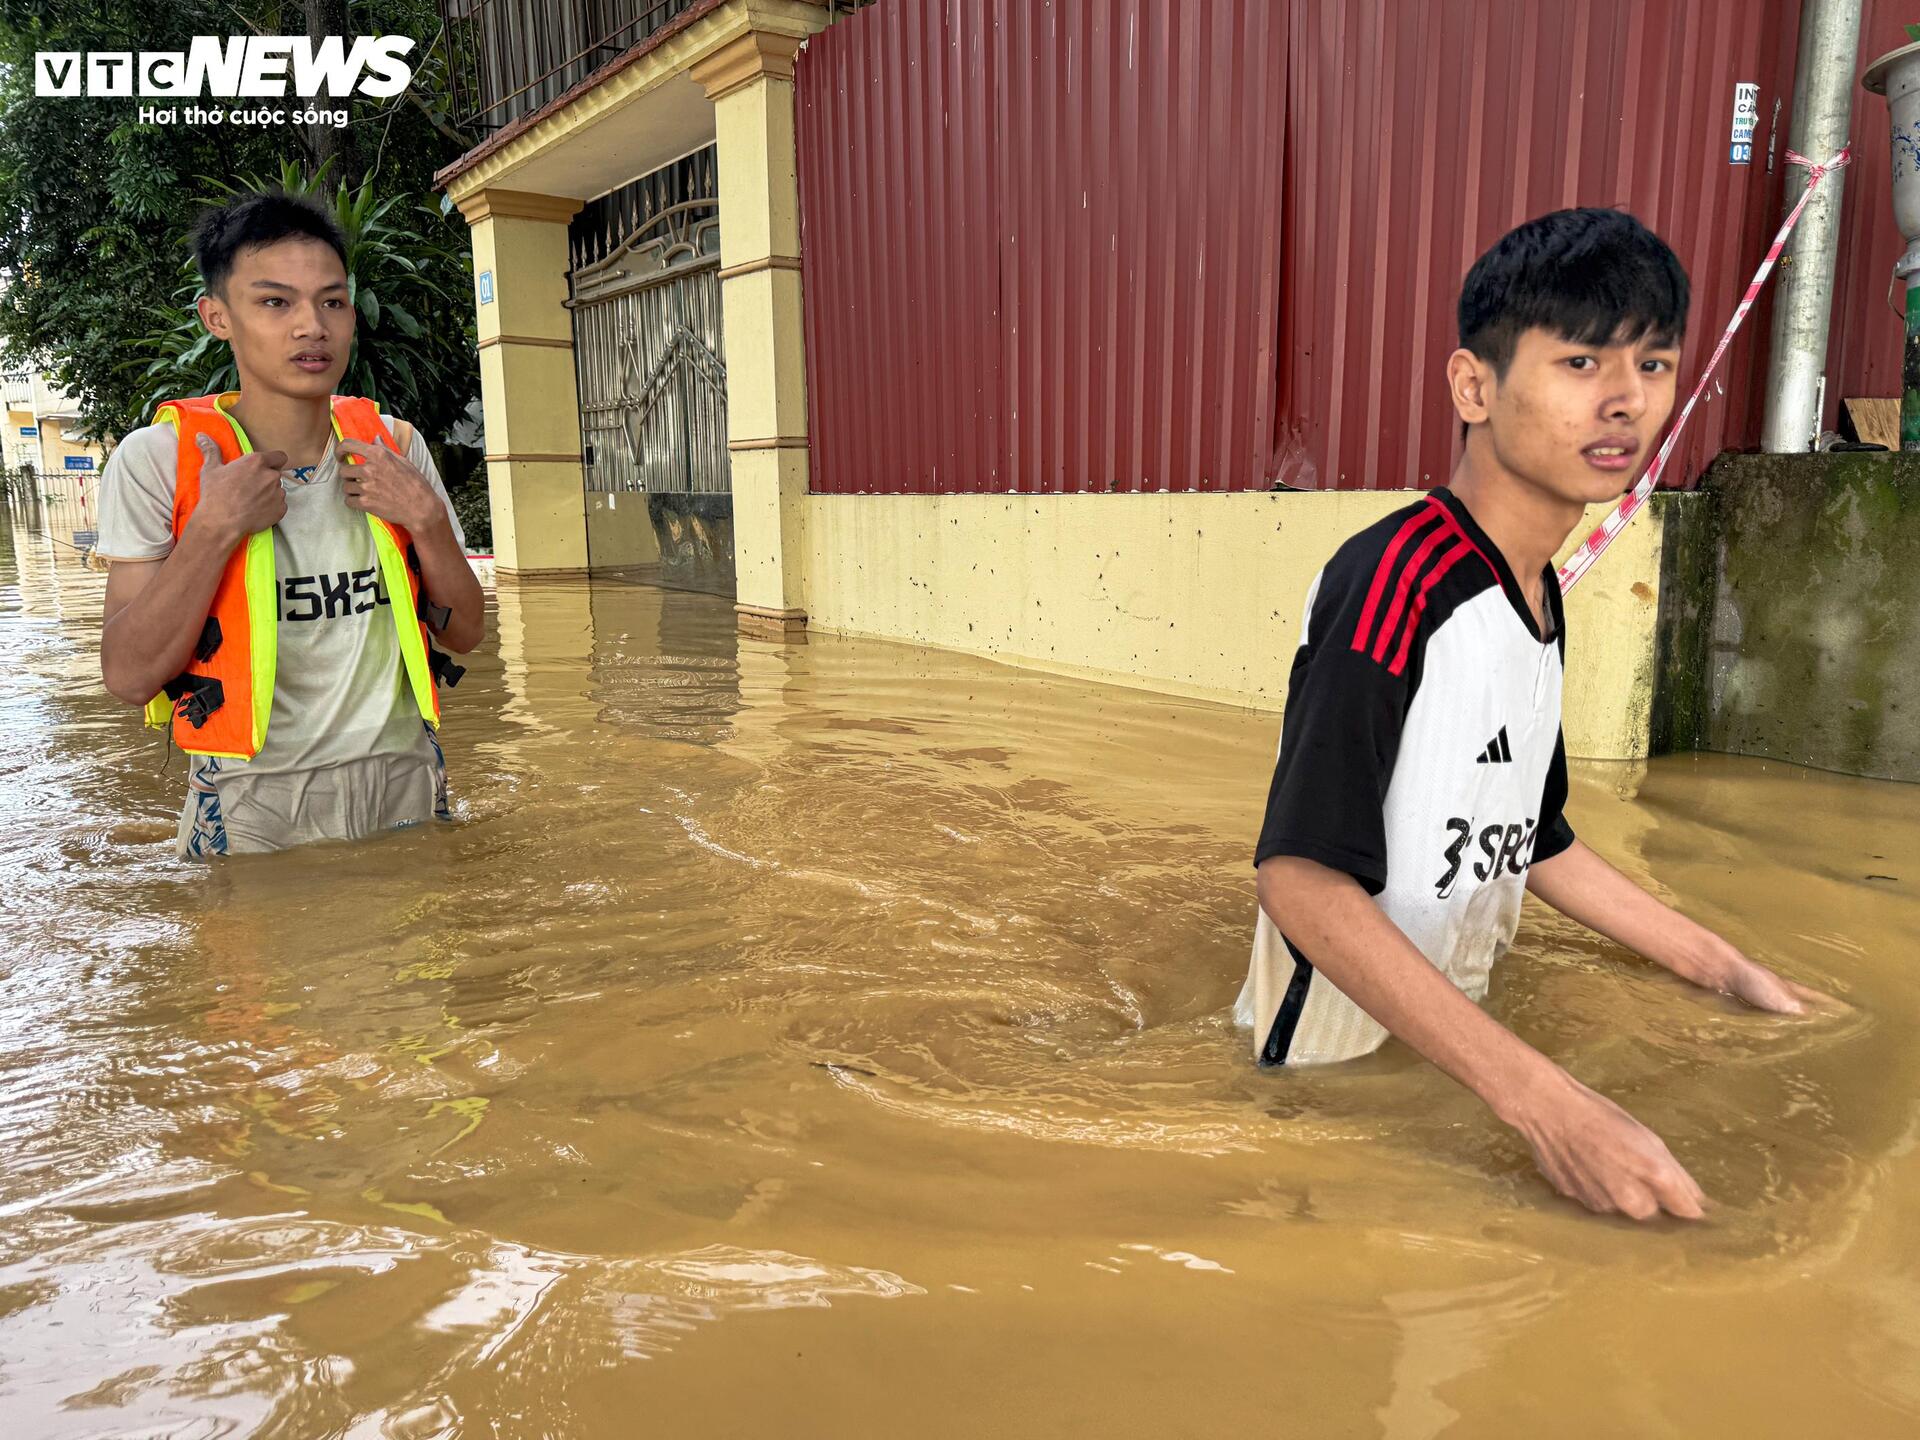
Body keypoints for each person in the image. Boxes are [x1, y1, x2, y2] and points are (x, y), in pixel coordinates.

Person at [1235, 208, 1833, 1222]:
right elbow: (1298, 877)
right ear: (1475, 385)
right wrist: (1548, 1103)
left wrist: (1719, 965)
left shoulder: (1540, 592)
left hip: (1457, 1051)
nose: (1623, 403)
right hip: (1324, 1095)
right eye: (1580, 364)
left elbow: (1536, 837)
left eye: (1652, 366)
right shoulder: (1394, 580)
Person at [95, 189, 483, 857]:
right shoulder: (159, 460)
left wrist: (428, 520)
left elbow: (467, 632)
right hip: (250, 803)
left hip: (405, 781)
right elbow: (129, 678)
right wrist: (214, 529)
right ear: (216, 315)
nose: (313, 326)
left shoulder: (393, 447)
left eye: (332, 301)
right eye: (276, 302)